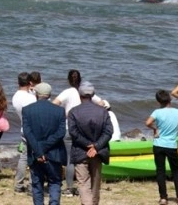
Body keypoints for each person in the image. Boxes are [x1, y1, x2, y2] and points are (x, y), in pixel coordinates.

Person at [52, 69, 104, 197]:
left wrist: (63, 114)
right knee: (88, 157)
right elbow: (102, 103)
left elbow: (54, 104)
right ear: (80, 79)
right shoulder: (85, 92)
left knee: (70, 160)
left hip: (70, 128)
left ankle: (70, 188)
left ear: (69, 80)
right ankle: (90, 186)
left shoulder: (68, 92)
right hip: (87, 129)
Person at [67, 81, 113, 205]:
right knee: (95, 184)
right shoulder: (103, 111)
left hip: (81, 151)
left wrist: (89, 144)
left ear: (79, 94)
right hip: (98, 152)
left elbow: (73, 132)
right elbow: (109, 132)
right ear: (93, 94)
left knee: (83, 183)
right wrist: (96, 146)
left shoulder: (73, 112)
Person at [22, 83, 66, 205]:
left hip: (35, 154)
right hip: (54, 153)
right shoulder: (60, 111)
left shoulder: (27, 110)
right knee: (55, 182)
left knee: (37, 184)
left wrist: (39, 150)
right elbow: (61, 133)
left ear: (36, 94)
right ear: (50, 95)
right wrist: (44, 148)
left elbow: (28, 133)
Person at [146, 89, 178, 205]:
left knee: (160, 171)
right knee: (176, 171)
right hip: (171, 145)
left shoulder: (157, 112)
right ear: (170, 98)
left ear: (158, 101)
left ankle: (163, 198)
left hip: (158, 144)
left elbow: (147, 123)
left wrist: (155, 129)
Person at [12, 72, 37, 193]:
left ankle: (18, 184)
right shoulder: (31, 98)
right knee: (35, 158)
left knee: (24, 157)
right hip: (33, 130)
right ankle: (32, 185)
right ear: (30, 83)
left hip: (23, 128)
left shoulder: (15, 96)